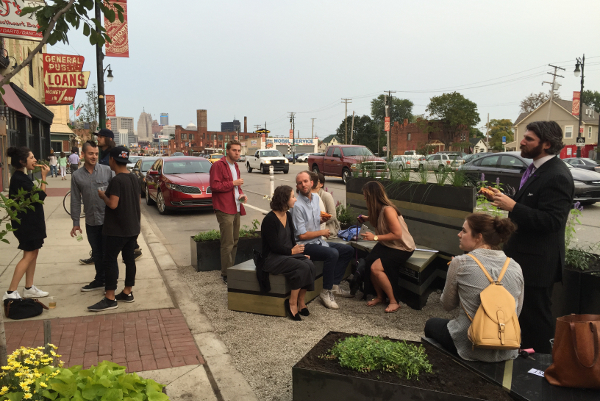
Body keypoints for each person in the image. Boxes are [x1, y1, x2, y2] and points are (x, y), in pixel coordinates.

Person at [483, 121, 574, 354]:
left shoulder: (557, 175)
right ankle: (523, 357)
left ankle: (543, 366)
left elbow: (552, 222)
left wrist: (513, 206)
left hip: (539, 263)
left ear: (547, 144)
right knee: (523, 314)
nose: (522, 141)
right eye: (524, 136)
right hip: (523, 258)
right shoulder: (534, 168)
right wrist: (506, 201)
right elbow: (531, 208)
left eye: (529, 139)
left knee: (537, 317)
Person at [424, 213, 524, 362]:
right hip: (507, 346)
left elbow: (447, 305)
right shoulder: (515, 266)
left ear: (479, 237)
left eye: (464, 231)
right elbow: (517, 310)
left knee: (431, 324)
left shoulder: (461, 262)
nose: (459, 234)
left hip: (470, 345)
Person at [88, 147, 141, 312]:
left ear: (112, 160)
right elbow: (137, 202)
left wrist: (103, 195)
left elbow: (113, 204)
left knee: (109, 261)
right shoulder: (134, 178)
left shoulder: (116, 181)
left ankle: (110, 297)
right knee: (129, 260)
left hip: (116, 229)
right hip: (132, 228)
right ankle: (127, 291)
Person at [292, 171, 354, 309]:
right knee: (332, 254)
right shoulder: (297, 206)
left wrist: (321, 219)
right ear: (297, 186)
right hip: (304, 245)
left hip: (318, 241)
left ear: (312, 182)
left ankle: (335, 285)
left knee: (348, 250)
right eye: (300, 183)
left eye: (305, 181)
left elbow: (312, 220)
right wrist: (322, 232)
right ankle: (325, 292)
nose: (303, 185)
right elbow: (301, 236)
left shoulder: (314, 198)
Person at [358, 181, 416, 313]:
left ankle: (394, 301)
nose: (364, 197)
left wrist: (375, 238)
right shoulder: (378, 209)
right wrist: (366, 218)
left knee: (376, 268)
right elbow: (378, 220)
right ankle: (380, 297)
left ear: (371, 195)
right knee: (369, 262)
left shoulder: (388, 210)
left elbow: (397, 234)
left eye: (365, 194)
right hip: (388, 244)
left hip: (402, 248)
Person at [261, 185, 316, 320]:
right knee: (301, 267)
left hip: (287, 254)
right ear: (284, 199)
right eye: (292, 197)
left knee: (310, 264)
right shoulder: (269, 220)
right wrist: (292, 252)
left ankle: (301, 301)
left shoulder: (288, 215)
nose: (295, 200)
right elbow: (274, 247)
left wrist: (299, 254)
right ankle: (292, 303)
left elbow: (291, 241)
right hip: (272, 258)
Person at [4, 147, 50, 300]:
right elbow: (40, 197)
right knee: (29, 255)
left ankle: (29, 287)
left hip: (31, 223)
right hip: (27, 225)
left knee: (32, 254)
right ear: (22, 162)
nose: (35, 160)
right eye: (32, 157)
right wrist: (43, 177)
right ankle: (10, 292)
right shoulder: (20, 179)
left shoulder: (21, 177)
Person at [70, 140, 113, 292]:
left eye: (96, 153)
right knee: (96, 253)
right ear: (83, 154)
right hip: (91, 221)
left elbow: (117, 193)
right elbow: (75, 200)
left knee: (108, 253)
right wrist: (76, 222)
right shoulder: (76, 176)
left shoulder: (107, 171)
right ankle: (99, 279)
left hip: (108, 221)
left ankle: (110, 284)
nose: (94, 156)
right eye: (91, 154)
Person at [209, 140, 247, 283]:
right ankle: (226, 274)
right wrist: (232, 183)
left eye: (239, 150)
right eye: (234, 150)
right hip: (224, 207)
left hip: (236, 205)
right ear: (227, 151)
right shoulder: (218, 165)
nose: (237, 153)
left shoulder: (235, 166)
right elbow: (214, 186)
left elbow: (237, 188)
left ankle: (231, 269)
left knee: (235, 240)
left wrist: (241, 195)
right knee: (227, 242)